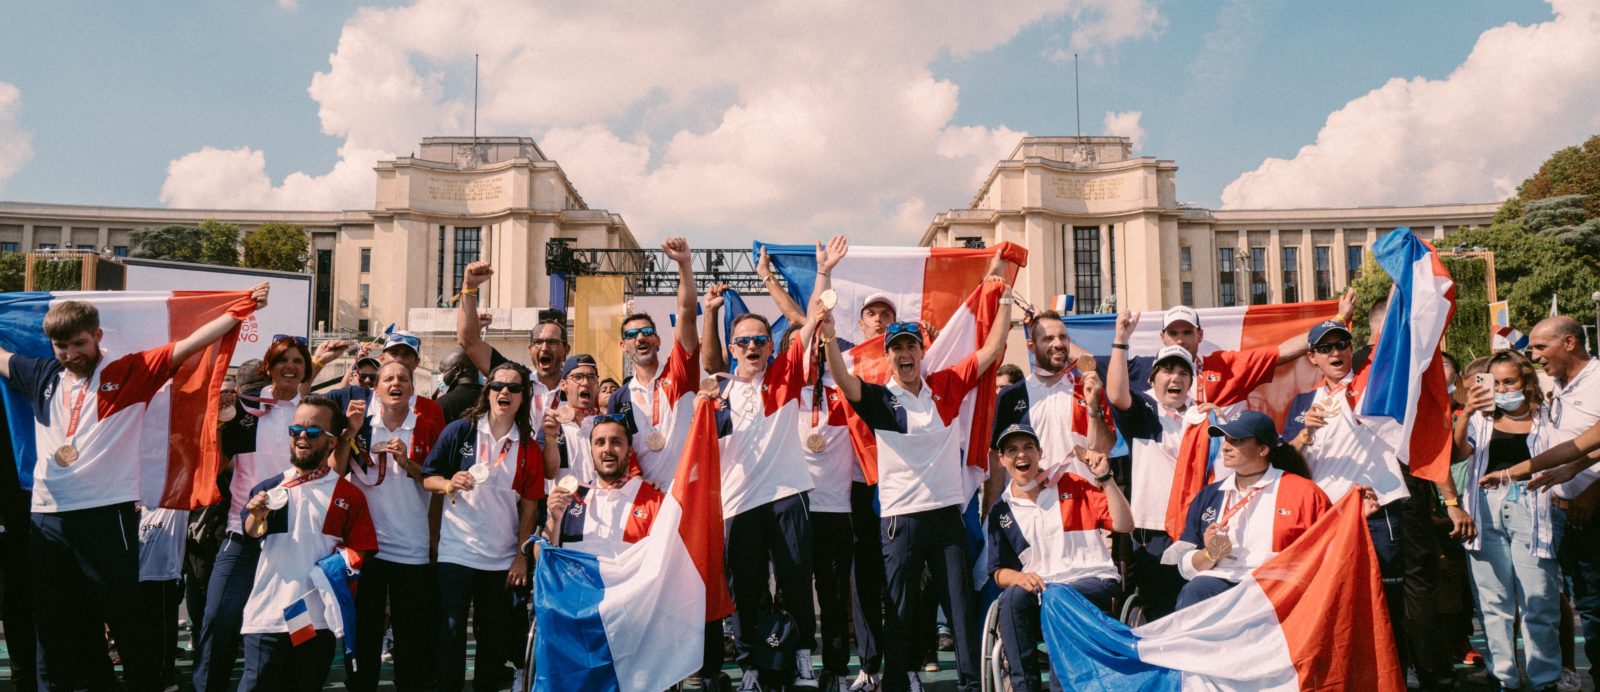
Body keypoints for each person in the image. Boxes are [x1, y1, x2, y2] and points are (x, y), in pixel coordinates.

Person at [0, 284, 269, 691]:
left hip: (106, 517)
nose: (71, 354)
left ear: (98, 337)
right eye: (61, 346)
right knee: (51, 626)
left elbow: (190, 343)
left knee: (127, 621)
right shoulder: (41, 375)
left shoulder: (129, 372)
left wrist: (240, 309)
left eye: (79, 344)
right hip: (47, 519)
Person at [822, 253, 1014, 692]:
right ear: (888, 357)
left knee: (960, 607)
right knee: (901, 608)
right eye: (897, 348)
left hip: (946, 515)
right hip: (900, 520)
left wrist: (1001, 297)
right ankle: (895, 681)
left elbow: (989, 351)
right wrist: (829, 340)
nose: (905, 353)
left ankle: (970, 683)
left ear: (921, 351)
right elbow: (842, 380)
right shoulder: (879, 398)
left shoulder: (945, 384)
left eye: (911, 345)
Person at [1283, 318, 1475, 689]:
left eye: (1341, 344)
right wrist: (1306, 432)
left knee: (1391, 598)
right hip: (1326, 516)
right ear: (1312, 357)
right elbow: (1288, 463)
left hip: (1379, 508)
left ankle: (1397, 675)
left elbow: (1422, 434)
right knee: (1337, 598)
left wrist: (1450, 500)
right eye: (1325, 348)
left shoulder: (1373, 390)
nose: (1335, 352)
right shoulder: (1302, 403)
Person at [752, 237, 886, 692]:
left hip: (835, 507)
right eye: (800, 347)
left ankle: (834, 665)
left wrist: (824, 274)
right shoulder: (784, 387)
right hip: (790, 503)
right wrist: (772, 281)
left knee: (832, 595)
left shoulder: (843, 380)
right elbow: (803, 324)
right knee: (788, 592)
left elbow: (813, 319)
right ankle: (791, 659)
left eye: (812, 344)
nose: (807, 351)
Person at [700, 293, 822, 691]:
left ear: (772, 346)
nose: (751, 346)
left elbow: (807, 325)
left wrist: (823, 272)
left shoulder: (784, 377)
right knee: (745, 588)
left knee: (796, 579)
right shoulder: (718, 393)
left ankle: (803, 657)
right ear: (731, 349)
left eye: (759, 340)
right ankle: (750, 663)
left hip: (787, 492)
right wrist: (710, 313)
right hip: (739, 502)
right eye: (743, 342)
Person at [195, 334, 313, 692]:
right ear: (268, 367)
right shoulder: (246, 410)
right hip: (242, 531)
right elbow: (216, 463)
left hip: (294, 538)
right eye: (282, 360)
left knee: (296, 628)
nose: (290, 367)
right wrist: (216, 420)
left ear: (306, 369)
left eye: (297, 361)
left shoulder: (314, 412)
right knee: (219, 620)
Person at [237, 395, 377, 691]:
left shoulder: (348, 495)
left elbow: (361, 548)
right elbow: (250, 532)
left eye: (313, 432)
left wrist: (339, 565)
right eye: (295, 430)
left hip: (318, 624)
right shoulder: (269, 489)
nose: (302, 436)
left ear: (331, 441)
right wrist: (256, 516)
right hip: (267, 619)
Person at [422, 362, 545, 692]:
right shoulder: (460, 431)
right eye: (497, 385)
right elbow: (428, 478)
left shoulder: (529, 448)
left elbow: (530, 508)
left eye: (514, 388)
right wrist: (448, 483)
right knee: (450, 635)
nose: (504, 391)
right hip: (455, 553)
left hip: (501, 559)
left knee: (492, 640)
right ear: (487, 391)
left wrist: (520, 557)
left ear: (523, 398)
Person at [1493, 316, 1600, 689]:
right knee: (1560, 599)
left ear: (1569, 342)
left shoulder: (1598, 380)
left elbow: (1580, 446)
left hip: (1593, 510)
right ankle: (1567, 672)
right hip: (1557, 511)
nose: (1535, 356)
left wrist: (1591, 488)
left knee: (1593, 605)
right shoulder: (1554, 382)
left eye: (1541, 347)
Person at [986, 424, 1131, 692]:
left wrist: (1107, 479)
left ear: (1040, 452)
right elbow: (997, 571)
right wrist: (1019, 577)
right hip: (1042, 590)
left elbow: (1124, 524)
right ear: (1002, 459)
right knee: (1011, 598)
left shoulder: (1071, 484)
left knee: (1056, 597)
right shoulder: (1002, 510)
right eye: (1012, 450)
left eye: (1028, 447)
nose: (1021, 455)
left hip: (1091, 580)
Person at [330, 360, 447, 692]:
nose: (396, 383)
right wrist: (348, 433)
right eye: (388, 379)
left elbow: (437, 482)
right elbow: (334, 473)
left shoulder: (427, 426)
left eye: (404, 379)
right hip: (367, 547)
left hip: (413, 548)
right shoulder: (361, 425)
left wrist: (407, 462)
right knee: (365, 633)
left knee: (411, 638)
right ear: (376, 389)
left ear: (412, 389)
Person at [1455, 350, 1561, 690]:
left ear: (1526, 381)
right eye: (1496, 383)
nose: (1502, 389)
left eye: (1509, 381)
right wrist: (1467, 411)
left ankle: (1544, 679)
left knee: (1538, 600)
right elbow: (1457, 454)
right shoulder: (1481, 419)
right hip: (1485, 510)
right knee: (1494, 602)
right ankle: (1505, 678)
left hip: (1532, 507)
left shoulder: (1549, 416)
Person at [1172, 411, 1331, 610]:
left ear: (1263, 449)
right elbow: (1185, 567)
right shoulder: (1210, 495)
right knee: (1195, 590)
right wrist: (1210, 554)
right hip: (1223, 581)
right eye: (1226, 439)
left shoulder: (1304, 492)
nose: (1226, 447)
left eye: (1237, 440)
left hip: (1277, 587)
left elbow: (1330, 551)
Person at [1102, 340, 1198, 620]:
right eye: (1167, 370)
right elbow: (1117, 395)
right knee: (1160, 607)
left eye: (1183, 372)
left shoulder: (1201, 416)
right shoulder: (1145, 410)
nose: (1175, 377)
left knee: (1194, 603)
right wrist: (1120, 340)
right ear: (1152, 379)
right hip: (1154, 529)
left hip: (1195, 528)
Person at [606, 238, 701, 486]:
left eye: (647, 332)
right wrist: (637, 481)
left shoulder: (680, 371)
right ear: (622, 346)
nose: (640, 337)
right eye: (630, 335)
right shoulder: (619, 398)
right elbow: (620, 449)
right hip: (644, 497)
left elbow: (687, 312)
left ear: (658, 340)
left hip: (686, 495)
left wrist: (683, 265)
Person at [991, 310, 1113, 480]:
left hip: (1081, 500)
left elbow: (1103, 449)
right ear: (1031, 346)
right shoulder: (1010, 396)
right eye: (1048, 339)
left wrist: (1093, 408)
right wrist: (990, 505)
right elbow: (996, 457)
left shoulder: (1088, 389)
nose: (1058, 344)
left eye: (1063, 337)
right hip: (1029, 502)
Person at [456, 260, 568, 416]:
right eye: (538, 342)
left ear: (566, 350)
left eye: (552, 342)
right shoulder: (517, 380)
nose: (544, 348)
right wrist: (469, 286)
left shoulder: (576, 385)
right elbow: (468, 341)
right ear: (530, 350)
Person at [546, 413, 662, 557]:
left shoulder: (655, 501)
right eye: (600, 443)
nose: (607, 449)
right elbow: (541, 558)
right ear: (591, 452)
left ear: (630, 451)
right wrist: (555, 521)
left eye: (616, 442)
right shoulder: (571, 498)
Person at [137, 504, 189, 691]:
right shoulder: (134, 504)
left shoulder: (176, 504)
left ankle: (166, 677)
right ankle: (149, 675)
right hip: (136, 577)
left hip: (164, 576)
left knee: (164, 631)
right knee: (142, 632)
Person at [539, 354, 606, 490]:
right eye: (577, 377)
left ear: (597, 384)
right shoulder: (552, 423)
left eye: (591, 377)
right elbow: (549, 473)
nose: (585, 382)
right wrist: (551, 437)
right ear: (564, 385)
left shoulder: (607, 425)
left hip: (603, 506)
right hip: (564, 508)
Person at [435, 347, 484, 422]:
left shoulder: (440, 405)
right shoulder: (491, 398)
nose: (441, 376)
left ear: (457, 370)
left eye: (443, 371)